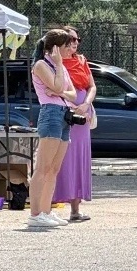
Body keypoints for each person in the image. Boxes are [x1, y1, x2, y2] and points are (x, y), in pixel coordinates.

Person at [27, 29, 78, 228]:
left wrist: (60, 91)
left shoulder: (62, 67)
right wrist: (57, 67)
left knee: (54, 168)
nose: (70, 49)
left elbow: (73, 94)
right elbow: (55, 87)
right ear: (55, 47)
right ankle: (35, 213)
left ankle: (46, 211)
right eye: (67, 45)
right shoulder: (41, 64)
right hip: (50, 114)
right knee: (43, 167)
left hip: (65, 114)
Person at [52, 26, 95, 222]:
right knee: (62, 159)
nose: (76, 43)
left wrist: (86, 104)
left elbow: (91, 86)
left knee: (79, 159)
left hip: (82, 116)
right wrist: (70, 104)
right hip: (64, 113)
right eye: (72, 39)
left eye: (78, 39)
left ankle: (75, 209)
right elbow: (52, 88)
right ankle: (49, 206)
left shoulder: (81, 60)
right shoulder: (54, 63)